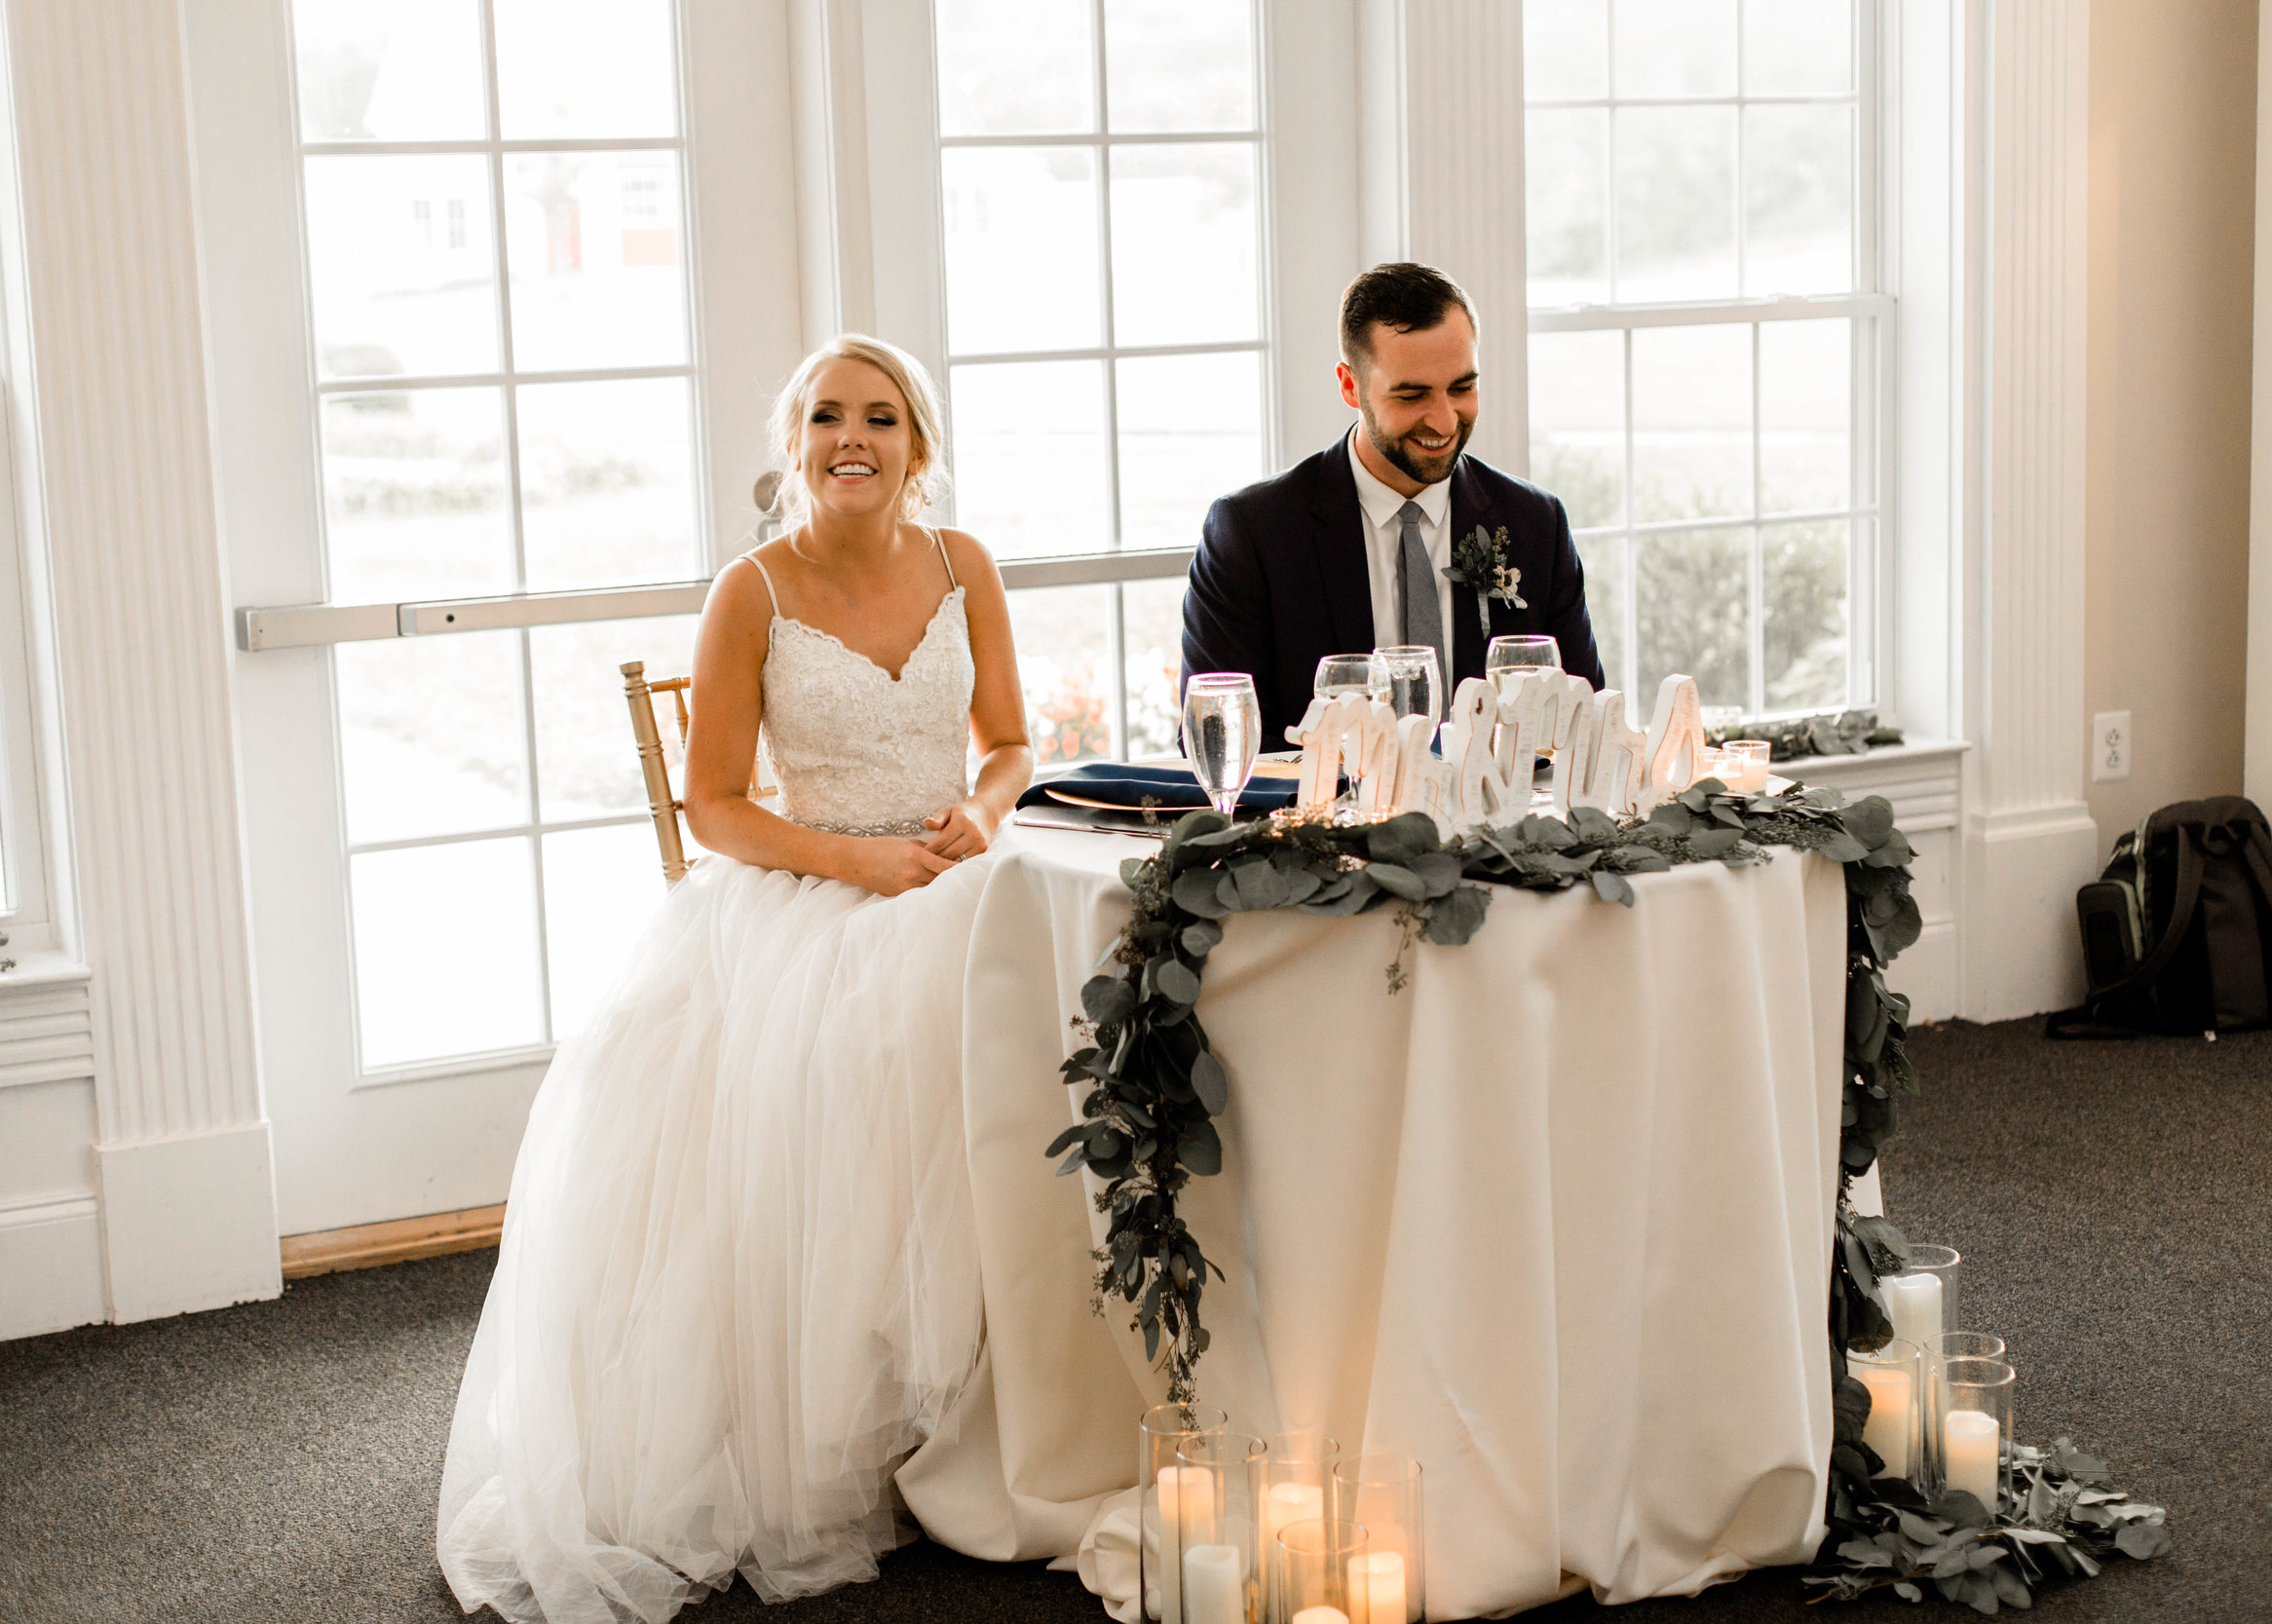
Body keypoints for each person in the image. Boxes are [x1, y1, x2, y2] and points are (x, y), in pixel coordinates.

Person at [436, 334, 1032, 1623]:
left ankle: (1000, 1416)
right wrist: (855, 864)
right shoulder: (751, 590)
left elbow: (1011, 745)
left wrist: (981, 818)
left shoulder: (963, 564)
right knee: (865, 1054)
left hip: (952, 869)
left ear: (918, 446)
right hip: (807, 892)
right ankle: (847, 1426)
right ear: (795, 442)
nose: (852, 437)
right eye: (827, 415)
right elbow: (712, 804)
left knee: (1034, 1021)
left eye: (880, 415)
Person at [1179, 262, 1604, 751]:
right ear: (1349, 385)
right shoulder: (1253, 533)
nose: (1444, 421)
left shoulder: (1534, 523)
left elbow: (1584, 723)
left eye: (1462, 388)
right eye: (1411, 394)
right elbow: (1215, 740)